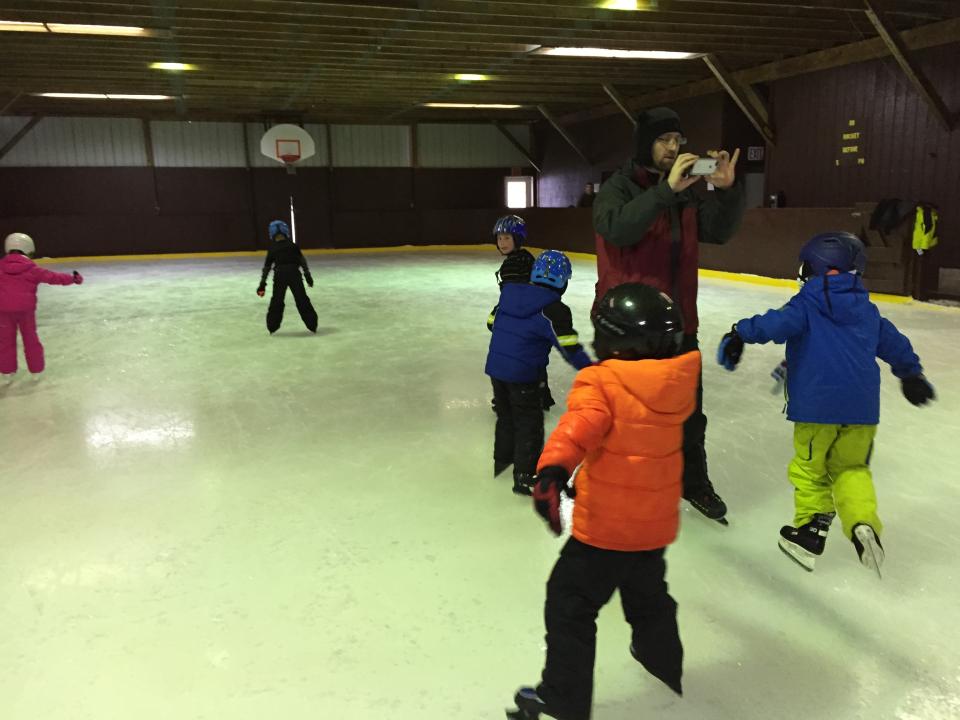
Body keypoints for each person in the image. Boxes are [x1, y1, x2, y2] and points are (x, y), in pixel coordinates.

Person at [506, 284, 700, 720]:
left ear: (614, 339)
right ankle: (664, 664)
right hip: (653, 530)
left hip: (605, 534)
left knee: (568, 604)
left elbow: (579, 427)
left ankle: (562, 700)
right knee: (649, 597)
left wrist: (552, 472)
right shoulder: (677, 386)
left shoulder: (602, 381)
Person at [716, 232, 935, 577]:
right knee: (852, 469)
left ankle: (810, 530)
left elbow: (773, 323)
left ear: (811, 267)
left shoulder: (805, 304)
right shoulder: (868, 310)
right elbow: (895, 344)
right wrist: (911, 374)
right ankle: (862, 523)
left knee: (810, 469)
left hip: (817, 409)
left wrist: (738, 333)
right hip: (862, 412)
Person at [592, 105, 746, 524]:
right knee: (627, 418)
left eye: (677, 140)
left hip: (680, 324)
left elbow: (719, 231)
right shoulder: (618, 188)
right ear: (646, 143)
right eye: (663, 140)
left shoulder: (688, 191)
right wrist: (665, 192)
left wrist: (727, 190)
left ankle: (694, 484)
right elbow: (618, 228)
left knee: (689, 416)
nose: (672, 147)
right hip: (626, 328)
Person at [485, 250, 592, 496]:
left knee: (506, 416)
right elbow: (569, 347)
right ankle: (524, 476)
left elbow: (491, 323)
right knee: (528, 423)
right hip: (523, 373)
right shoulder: (554, 309)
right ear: (563, 282)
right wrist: (592, 370)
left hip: (496, 369)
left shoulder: (508, 294)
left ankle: (503, 460)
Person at [490, 214, 555, 411]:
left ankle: (509, 400)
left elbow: (514, 295)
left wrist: (497, 317)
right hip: (534, 315)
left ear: (517, 239)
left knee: (512, 358)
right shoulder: (526, 257)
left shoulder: (512, 265)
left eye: (507, 238)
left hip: (521, 317)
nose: (502, 242)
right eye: (500, 238)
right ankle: (542, 397)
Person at [0, 232, 83, 378]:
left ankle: (7, 372)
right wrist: (73, 279)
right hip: (25, 312)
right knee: (31, 340)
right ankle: (36, 371)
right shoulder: (32, 269)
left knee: (5, 341)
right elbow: (54, 277)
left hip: (3, 311)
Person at [256, 220, 317, 334]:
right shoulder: (293, 246)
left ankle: (272, 326)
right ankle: (312, 324)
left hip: (280, 276)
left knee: (277, 301)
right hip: (294, 274)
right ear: (286, 232)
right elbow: (302, 261)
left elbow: (267, 267)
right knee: (302, 299)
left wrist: (262, 284)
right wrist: (307, 275)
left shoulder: (272, 248)